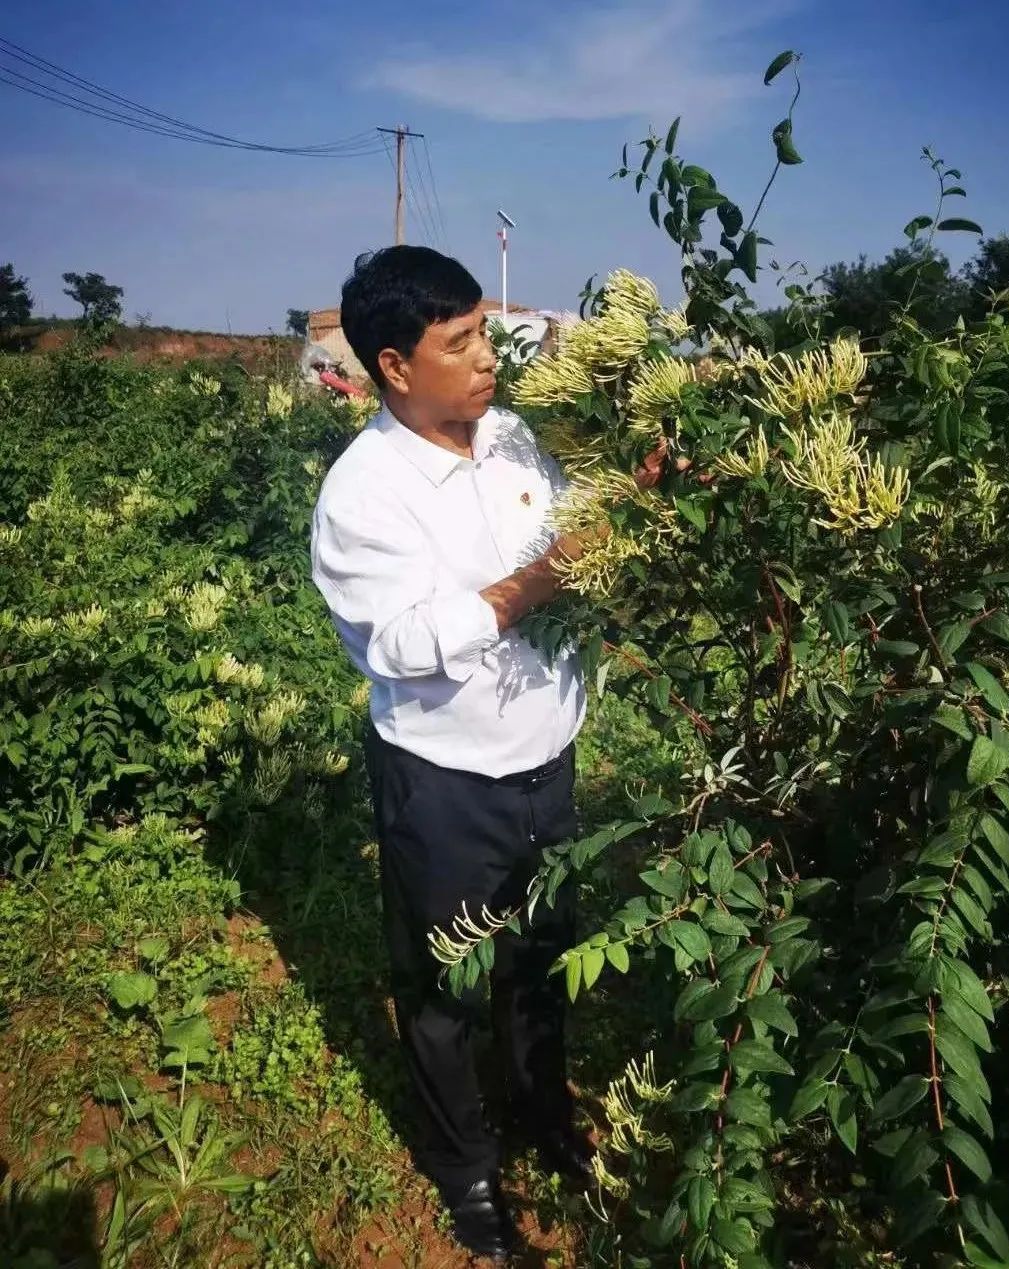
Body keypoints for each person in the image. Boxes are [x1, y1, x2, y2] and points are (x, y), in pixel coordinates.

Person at [309, 245, 602, 1261]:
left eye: (485, 333)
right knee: (441, 989)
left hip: (546, 758)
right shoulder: (364, 494)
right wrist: (533, 587)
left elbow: (578, 535)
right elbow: (396, 645)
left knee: (540, 953)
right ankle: (465, 1173)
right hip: (442, 780)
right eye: (461, 342)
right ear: (396, 366)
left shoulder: (518, 441)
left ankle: (541, 1112)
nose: (489, 359)